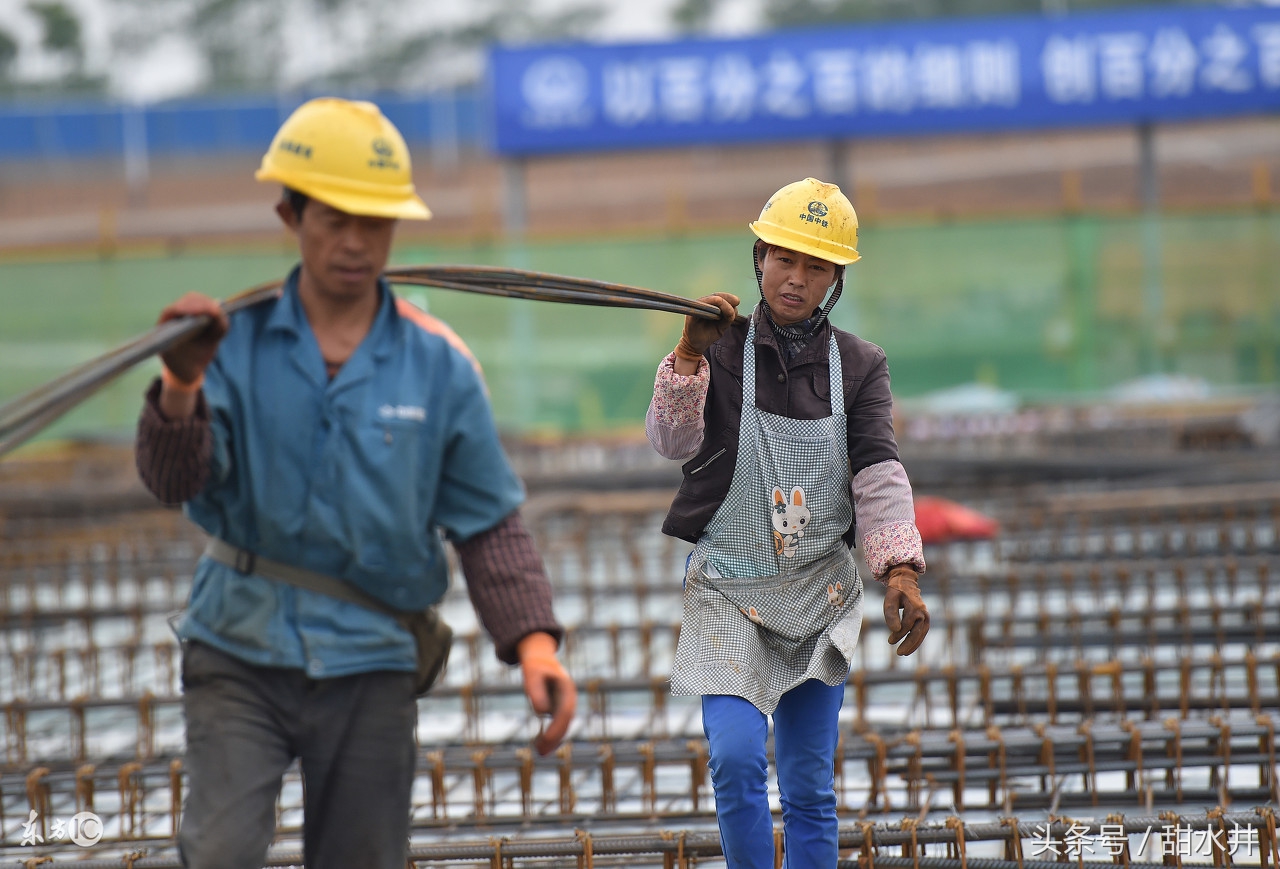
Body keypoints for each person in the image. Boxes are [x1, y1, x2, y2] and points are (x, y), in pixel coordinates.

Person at [134, 97, 577, 869]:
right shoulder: (228, 348)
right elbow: (177, 478)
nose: (354, 241)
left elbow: (486, 522)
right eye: (333, 219)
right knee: (220, 850)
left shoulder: (437, 364)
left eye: (374, 222)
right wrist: (179, 382)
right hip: (240, 647)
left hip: (373, 655)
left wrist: (534, 645)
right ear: (290, 213)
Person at [645, 177, 930, 868]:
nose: (795, 279)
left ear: (835, 278)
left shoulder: (860, 367)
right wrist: (687, 356)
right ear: (759, 257)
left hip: (816, 592)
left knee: (808, 784)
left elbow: (877, 469)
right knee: (737, 762)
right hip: (728, 590)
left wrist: (899, 567)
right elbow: (671, 443)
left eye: (816, 265)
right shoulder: (718, 343)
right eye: (783, 259)